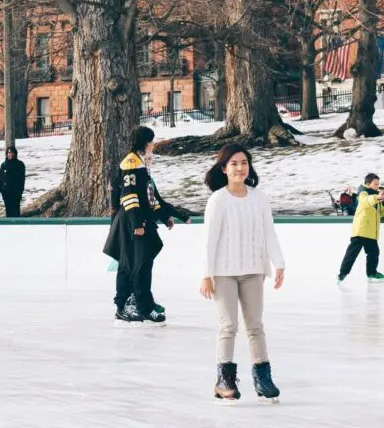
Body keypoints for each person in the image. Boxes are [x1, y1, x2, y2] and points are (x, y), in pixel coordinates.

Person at [200, 143, 285, 403]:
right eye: (234, 164)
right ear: (224, 168)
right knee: (228, 326)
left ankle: (263, 377)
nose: (240, 168)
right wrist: (207, 274)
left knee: (255, 326)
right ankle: (224, 379)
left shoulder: (259, 197)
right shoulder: (218, 200)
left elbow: (268, 232)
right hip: (224, 273)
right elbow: (209, 240)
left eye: (244, 162)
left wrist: (278, 263)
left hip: (253, 270)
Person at [104, 126, 189, 326]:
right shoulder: (131, 163)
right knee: (134, 264)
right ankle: (130, 305)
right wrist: (137, 224)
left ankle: (140, 301)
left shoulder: (141, 164)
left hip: (139, 220)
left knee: (140, 262)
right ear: (145, 142)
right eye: (151, 141)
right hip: (132, 222)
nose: (153, 145)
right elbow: (130, 196)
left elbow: (151, 198)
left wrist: (168, 216)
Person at [338, 173, 384, 284]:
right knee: (352, 254)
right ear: (368, 184)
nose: (377, 186)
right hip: (361, 231)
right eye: (375, 184)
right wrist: (377, 197)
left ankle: (371, 273)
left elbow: (382, 211)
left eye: (378, 184)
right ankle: (342, 274)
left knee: (374, 253)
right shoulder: (363, 193)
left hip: (371, 233)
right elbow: (365, 201)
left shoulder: (377, 198)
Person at [0, 146, 26, 217]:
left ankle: (17, 226)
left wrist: (20, 191)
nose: (11, 154)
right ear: (6, 154)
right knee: (8, 210)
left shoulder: (20, 164)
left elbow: (22, 180)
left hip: (16, 192)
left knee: (16, 210)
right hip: (6, 192)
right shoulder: (3, 165)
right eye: (9, 153)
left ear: (15, 154)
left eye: (13, 153)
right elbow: (0, 179)